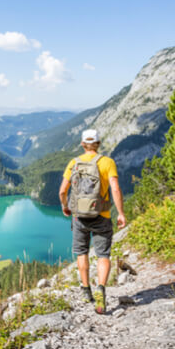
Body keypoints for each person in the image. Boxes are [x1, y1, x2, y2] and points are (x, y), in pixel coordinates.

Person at [58, 128, 126, 314]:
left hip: (79, 216)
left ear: (82, 144)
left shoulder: (74, 163)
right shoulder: (107, 162)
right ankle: (101, 289)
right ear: (98, 143)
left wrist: (66, 206)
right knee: (103, 255)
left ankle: (86, 290)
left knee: (82, 252)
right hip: (101, 215)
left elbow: (62, 191)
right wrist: (120, 213)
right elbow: (116, 189)